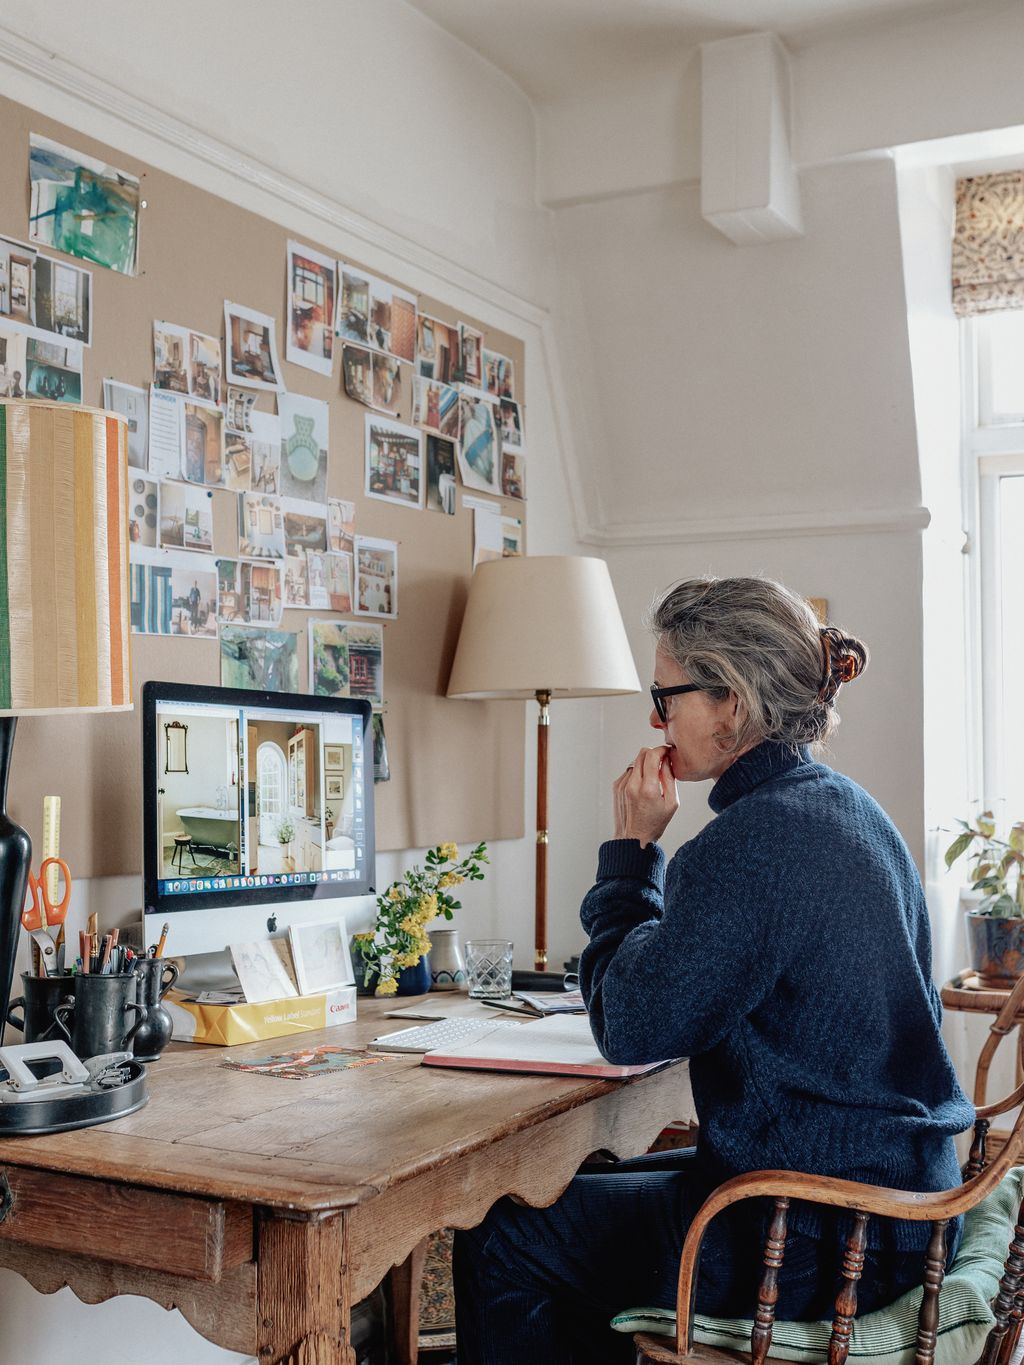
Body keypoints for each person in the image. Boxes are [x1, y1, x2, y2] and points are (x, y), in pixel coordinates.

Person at [453, 576, 973, 1365]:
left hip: (815, 1240)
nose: (655, 719)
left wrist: (631, 855)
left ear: (731, 701)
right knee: (567, 1188)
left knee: (504, 1233)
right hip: (905, 1210)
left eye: (666, 696)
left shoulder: (749, 844)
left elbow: (628, 1026)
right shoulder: (850, 807)